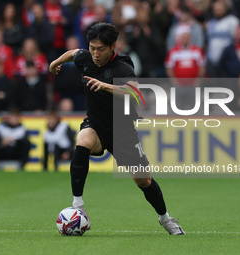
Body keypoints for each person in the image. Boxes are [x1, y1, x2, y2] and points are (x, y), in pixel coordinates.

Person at [49, 22, 185, 235]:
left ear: (113, 46)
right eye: (92, 48)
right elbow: (73, 53)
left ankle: (165, 219)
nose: (95, 53)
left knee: (144, 180)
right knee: (83, 140)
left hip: (122, 131)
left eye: (100, 49)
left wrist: (106, 86)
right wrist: (55, 63)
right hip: (96, 125)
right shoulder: (86, 57)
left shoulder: (122, 66)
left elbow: (135, 93)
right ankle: (78, 205)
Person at [165, 31, 205, 110]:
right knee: (178, 107)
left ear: (190, 39)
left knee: (195, 107)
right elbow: (169, 68)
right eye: (183, 38)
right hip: (178, 84)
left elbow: (202, 67)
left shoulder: (197, 51)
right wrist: (173, 81)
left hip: (193, 84)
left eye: (187, 38)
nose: (185, 40)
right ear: (180, 39)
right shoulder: (173, 51)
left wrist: (198, 80)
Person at [206, 0, 239, 77]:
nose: (218, 11)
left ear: (226, 8)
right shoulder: (210, 23)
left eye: (220, 9)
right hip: (212, 61)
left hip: (227, 61)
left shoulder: (232, 20)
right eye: (216, 9)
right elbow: (208, 42)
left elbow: (237, 41)